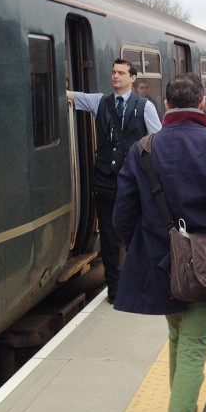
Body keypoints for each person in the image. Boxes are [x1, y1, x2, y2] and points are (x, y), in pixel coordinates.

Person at [113, 73, 206, 412]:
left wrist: (143, 247)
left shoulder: (142, 149)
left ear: (166, 105)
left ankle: (182, 407)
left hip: (160, 261)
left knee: (177, 337)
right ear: (203, 103)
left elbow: (122, 216)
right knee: (193, 345)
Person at [67, 59, 162, 304]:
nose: (115, 76)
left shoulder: (145, 107)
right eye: (113, 72)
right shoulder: (99, 102)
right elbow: (70, 96)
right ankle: (115, 288)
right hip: (105, 181)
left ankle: (140, 280)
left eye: (121, 73)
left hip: (134, 181)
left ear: (133, 78)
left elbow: (157, 142)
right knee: (109, 237)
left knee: (136, 232)